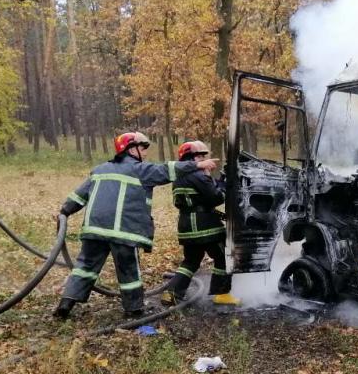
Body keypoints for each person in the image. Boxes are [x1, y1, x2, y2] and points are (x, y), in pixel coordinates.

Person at [54, 131, 218, 319]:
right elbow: (168, 170)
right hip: (124, 233)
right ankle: (134, 310)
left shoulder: (99, 170)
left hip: (95, 231)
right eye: (142, 148)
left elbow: (78, 196)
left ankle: (66, 303)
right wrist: (197, 164)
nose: (146, 153)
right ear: (131, 150)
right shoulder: (141, 170)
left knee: (84, 267)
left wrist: (64, 212)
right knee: (129, 271)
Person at [165, 140, 230, 302]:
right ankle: (221, 294)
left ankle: (171, 293)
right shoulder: (198, 175)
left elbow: (203, 194)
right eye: (199, 156)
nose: (203, 159)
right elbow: (216, 197)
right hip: (206, 226)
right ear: (189, 159)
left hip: (186, 226)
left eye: (203, 155)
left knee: (191, 261)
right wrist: (225, 185)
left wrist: (219, 179)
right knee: (223, 257)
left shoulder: (180, 177)